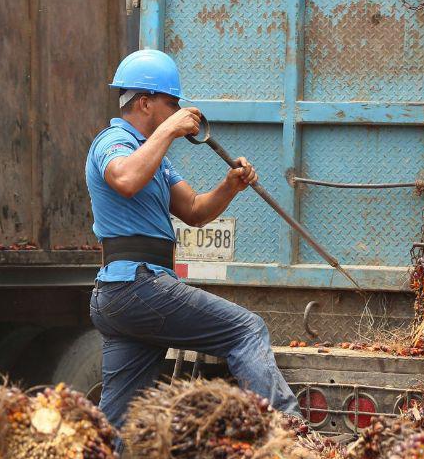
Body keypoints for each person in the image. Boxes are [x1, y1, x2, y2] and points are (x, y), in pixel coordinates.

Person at [86, 49, 301, 430]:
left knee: (116, 422)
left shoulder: (156, 158)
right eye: (172, 104)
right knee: (245, 330)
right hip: (137, 285)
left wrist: (230, 186)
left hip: (126, 296)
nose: (177, 113)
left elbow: (196, 211)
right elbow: (124, 179)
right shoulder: (113, 141)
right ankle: (292, 436)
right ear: (145, 102)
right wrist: (169, 131)